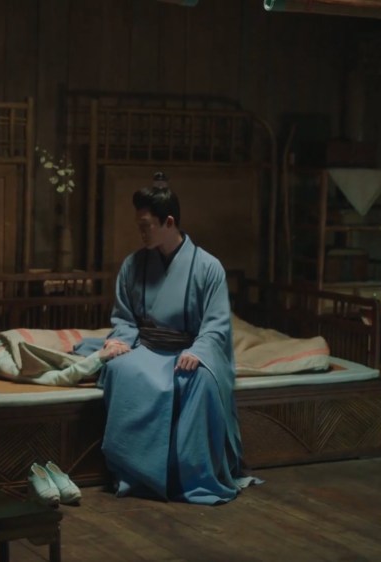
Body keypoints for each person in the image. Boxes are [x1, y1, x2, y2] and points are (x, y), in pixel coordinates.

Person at [99, 180, 258, 505]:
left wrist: (198, 351)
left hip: (189, 349)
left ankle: (190, 476)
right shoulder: (133, 264)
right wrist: (119, 340)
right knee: (118, 369)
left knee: (200, 381)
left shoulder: (208, 267)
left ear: (169, 222)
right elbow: (124, 318)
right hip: (147, 347)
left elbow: (216, 325)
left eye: (146, 226)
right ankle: (136, 474)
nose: (141, 233)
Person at [0, 320, 130, 386]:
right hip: (83, 361)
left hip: (79, 349)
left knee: (91, 341)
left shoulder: (2, 342)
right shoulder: (5, 365)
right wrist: (99, 357)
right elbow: (57, 378)